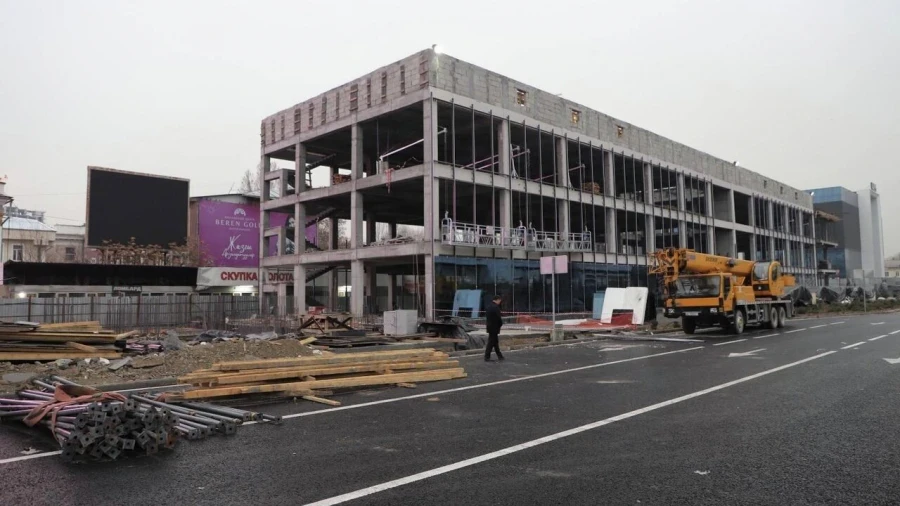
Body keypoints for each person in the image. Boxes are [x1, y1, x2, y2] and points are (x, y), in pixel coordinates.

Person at [485, 295, 505, 362]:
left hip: (490, 327)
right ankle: (487, 356)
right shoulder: (496, 307)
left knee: (495, 342)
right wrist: (500, 324)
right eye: (500, 301)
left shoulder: (488, 307)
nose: (500, 302)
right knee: (491, 342)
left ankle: (500, 356)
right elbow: (498, 318)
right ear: (497, 300)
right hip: (495, 327)